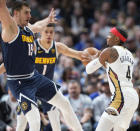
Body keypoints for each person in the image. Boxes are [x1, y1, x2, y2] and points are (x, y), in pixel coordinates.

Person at [0, 1, 83, 131]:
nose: (29, 15)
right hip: (19, 82)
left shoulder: (27, 29)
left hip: (34, 77)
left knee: (65, 104)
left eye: (30, 12)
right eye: (26, 12)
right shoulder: (10, 28)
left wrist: (47, 20)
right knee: (35, 122)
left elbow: (38, 26)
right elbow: (1, 7)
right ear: (15, 13)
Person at [86, 27, 139, 131]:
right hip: (133, 96)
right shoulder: (130, 54)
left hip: (121, 96)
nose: (107, 37)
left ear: (116, 39)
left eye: (110, 35)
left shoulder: (109, 51)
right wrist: (101, 59)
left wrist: (97, 58)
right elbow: (114, 67)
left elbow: (89, 69)